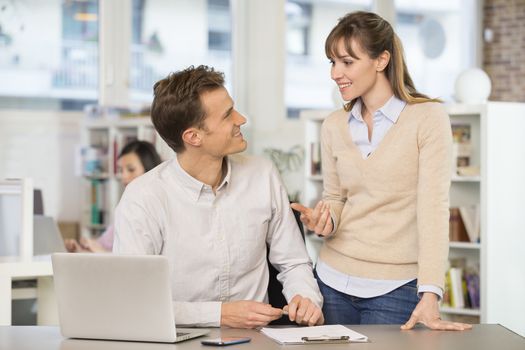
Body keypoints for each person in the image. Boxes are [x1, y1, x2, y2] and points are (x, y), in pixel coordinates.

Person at [291, 11, 472, 331]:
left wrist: (431, 292)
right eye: (332, 62)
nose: (335, 73)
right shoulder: (334, 125)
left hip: (396, 287)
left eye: (347, 62)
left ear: (381, 59)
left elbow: (433, 208)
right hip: (331, 281)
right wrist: (325, 218)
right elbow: (336, 197)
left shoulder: (427, 118)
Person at [113, 65, 323, 328]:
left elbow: (293, 263)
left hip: (257, 341)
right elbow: (134, 301)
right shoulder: (143, 198)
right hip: (179, 341)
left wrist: (305, 298)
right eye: (227, 116)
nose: (241, 119)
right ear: (193, 137)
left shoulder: (262, 175)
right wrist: (220, 315)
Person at [65, 140, 162, 253]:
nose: (124, 176)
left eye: (131, 169)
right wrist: (80, 250)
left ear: (149, 170)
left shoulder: (156, 209)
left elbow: (139, 261)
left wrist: (101, 252)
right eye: (121, 170)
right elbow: (102, 247)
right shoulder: (125, 206)